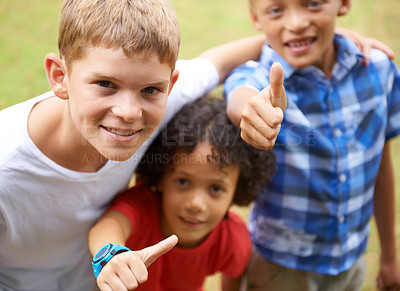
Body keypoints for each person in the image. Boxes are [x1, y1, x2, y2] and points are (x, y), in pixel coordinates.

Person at [0, 0, 288, 290]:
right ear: (60, 76)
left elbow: (221, 62)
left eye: (150, 90)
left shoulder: (155, 94)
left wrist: (298, 35)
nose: (128, 112)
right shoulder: (5, 167)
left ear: (170, 85)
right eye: (105, 84)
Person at [224, 0, 400, 290]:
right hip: (279, 268)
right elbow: (241, 93)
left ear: (343, 4)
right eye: (276, 10)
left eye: (313, 4)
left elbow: (381, 165)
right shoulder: (260, 76)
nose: (295, 23)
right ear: (256, 18)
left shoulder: (378, 71)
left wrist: (390, 257)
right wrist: (251, 108)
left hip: (351, 261)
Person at [87, 96, 276, 291]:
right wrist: (113, 256)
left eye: (216, 188)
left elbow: (233, 278)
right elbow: (108, 225)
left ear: (238, 189)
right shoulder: (141, 206)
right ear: (160, 175)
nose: (196, 203)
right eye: (183, 182)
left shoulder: (233, 241)